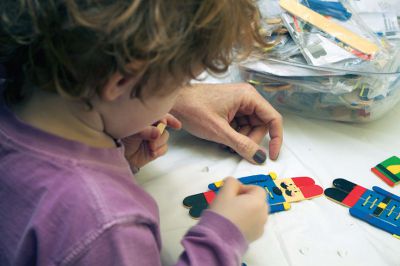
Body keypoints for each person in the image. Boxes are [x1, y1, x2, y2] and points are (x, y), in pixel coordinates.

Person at [0, 1, 282, 265]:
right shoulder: (108, 225)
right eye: (182, 82)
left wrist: (117, 160)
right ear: (121, 82)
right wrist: (223, 238)